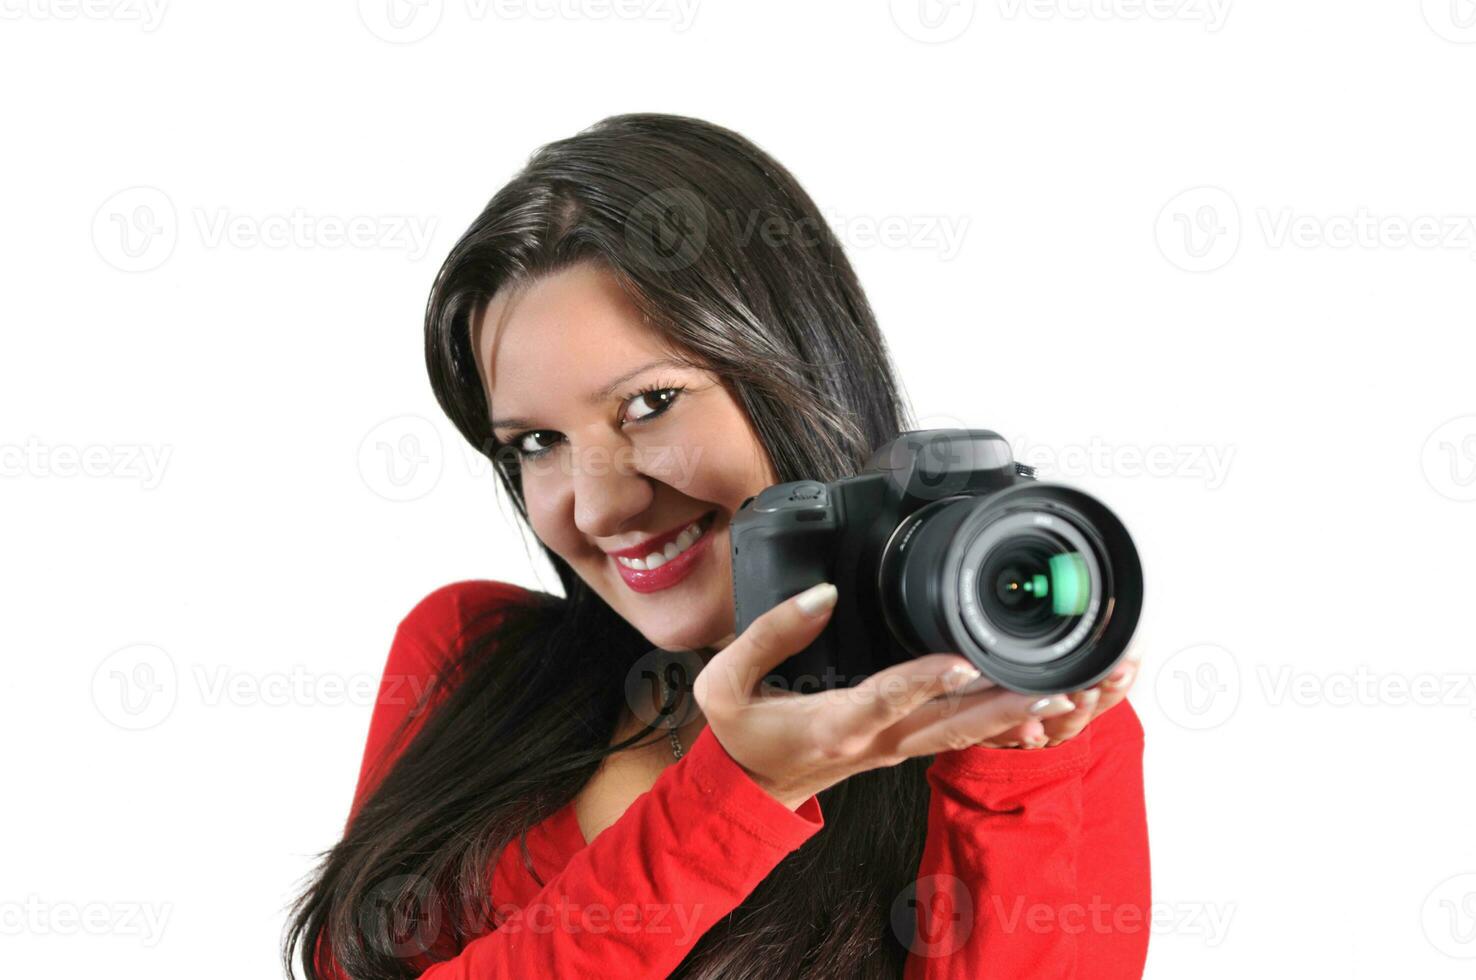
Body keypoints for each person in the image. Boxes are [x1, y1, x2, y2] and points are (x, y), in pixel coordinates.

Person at [283, 113, 1150, 980]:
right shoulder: (470, 656)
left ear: (795, 370)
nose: (597, 506)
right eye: (536, 443)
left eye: (651, 403)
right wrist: (733, 794)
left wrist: (1010, 780)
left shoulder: (1018, 739)